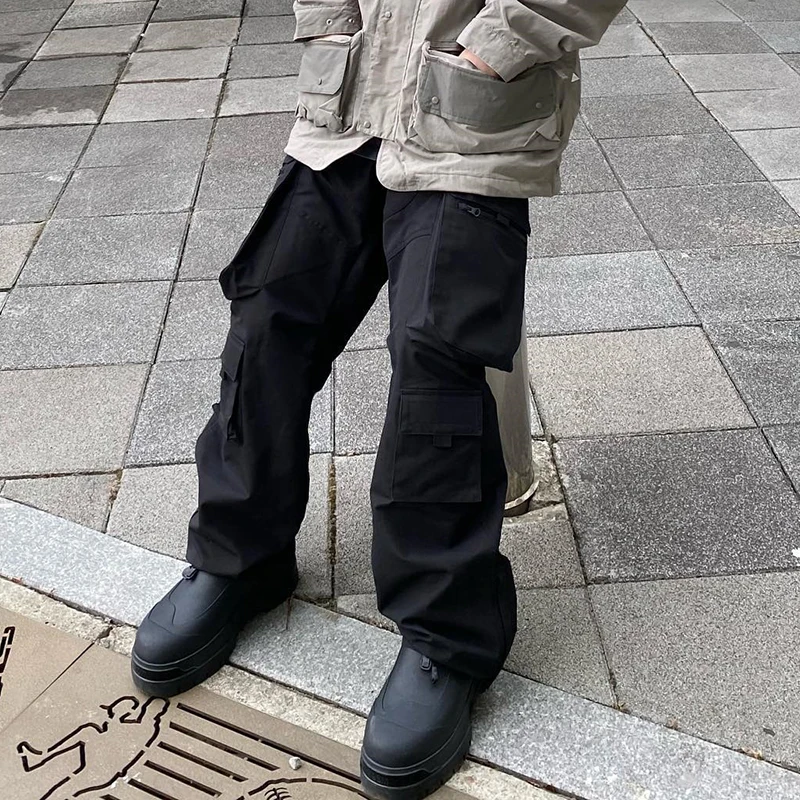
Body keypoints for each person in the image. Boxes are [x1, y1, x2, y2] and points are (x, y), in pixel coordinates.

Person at [131, 2, 626, 798]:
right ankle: (240, 557)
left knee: (437, 356)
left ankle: (446, 634)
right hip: (348, 100)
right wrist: (330, 23)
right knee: (266, 317)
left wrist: (496, 45)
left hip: (469, 122)